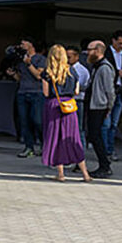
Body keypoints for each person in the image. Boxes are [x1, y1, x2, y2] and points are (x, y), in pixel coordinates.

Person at [41, 45, 90, 182]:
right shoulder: (72, 72)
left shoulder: (47, 73)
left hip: (54, 105)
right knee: (73, 138)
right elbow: (76, 91)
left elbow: (45, 93)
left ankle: (61, 174)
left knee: (55, 138)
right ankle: (85, 173)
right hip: (69, 106)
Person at [84, 41, 116, 179]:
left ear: (97, 50)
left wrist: (109, 106)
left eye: (90, 50)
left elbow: (110, 90)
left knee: (96, 135)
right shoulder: (96, 66)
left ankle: (105, 165)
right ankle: (103, 164)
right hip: (93, 105)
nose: (87, 53)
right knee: (93, 135)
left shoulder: (104, 68)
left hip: (99, 106)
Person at [10, 37, 46, 158]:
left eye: (24, 42)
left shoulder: (41, 59)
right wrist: (14, 74)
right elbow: (21, 78)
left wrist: (29, 64)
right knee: (24, 121)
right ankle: (28, 147)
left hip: (37, 92)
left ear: (31, 44)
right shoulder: (21, 60)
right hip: (22, 91)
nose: (21, 44)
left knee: (37, 120)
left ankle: (44, 144)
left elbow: (39, 76)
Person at [68, 46, 91, 146]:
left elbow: (78, 87)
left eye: (69, 57)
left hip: (77, 100)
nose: (67, 59)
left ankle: (80, 149)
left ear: (76, 56)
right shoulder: (66, 68)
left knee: (78, 126)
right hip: (69, 100)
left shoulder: (81, 70)